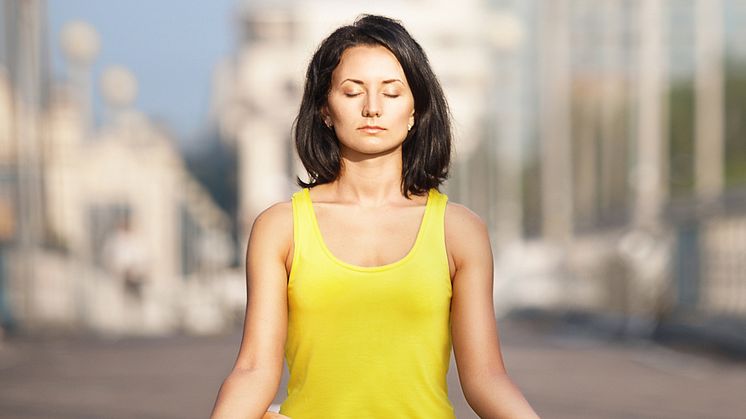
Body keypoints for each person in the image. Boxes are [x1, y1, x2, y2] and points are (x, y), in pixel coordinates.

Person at [210, 14, 541, 419]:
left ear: (415, 108)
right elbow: (254, 369)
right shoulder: (279, 229)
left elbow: (486, 377)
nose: (372, 108)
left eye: (392, 92)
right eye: (352, 93)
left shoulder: (460, 232)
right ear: (325, 110)